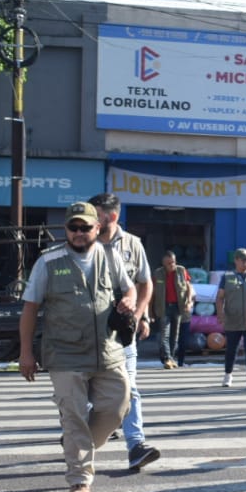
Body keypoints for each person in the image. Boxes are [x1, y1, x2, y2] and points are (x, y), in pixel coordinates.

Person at [18, 201, 136, 492]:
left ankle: (76, 443)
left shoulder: (110, 256)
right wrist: (26, 353)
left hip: (108, 350)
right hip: (65, 353)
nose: (79, 232)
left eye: (85, 227)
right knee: (73, 417)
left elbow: (130, 288)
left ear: (98, 227)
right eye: (74, 227)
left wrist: (130, 300)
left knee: (118, 406)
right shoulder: (48, 262)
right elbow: (30, 308)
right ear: (66, 229)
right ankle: (80, 480)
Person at [89, 192, 161, 472]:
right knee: (84, 388)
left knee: (129, 387)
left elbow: (145, 283)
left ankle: (136, 445)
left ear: (112, 216)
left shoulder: (132, 244)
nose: (91, 220)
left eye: (96, 215)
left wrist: (139, 316)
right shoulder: (84, 241)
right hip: (87, 329)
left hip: (121, 331)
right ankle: (85, 434)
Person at [217, 248, 246, 389]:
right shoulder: (227, 276)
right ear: (236, 260)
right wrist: (220, 313)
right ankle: (228, 374)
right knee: (231, 348)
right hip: (233, 319)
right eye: (244, 260)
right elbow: (220, 297)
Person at [152, 250, 193, 369]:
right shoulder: (158, 273)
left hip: (177, 307)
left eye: (173, 262)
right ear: (164, 264)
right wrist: (149, 310)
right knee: (164, 334)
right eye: (169, 263)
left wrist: (189, 301)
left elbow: (189, 287)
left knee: (175, 335)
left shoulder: (181, 271)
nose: (172, 265)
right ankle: (167, 358)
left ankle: (170, 358)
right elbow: (153, 293)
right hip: (163, 307)